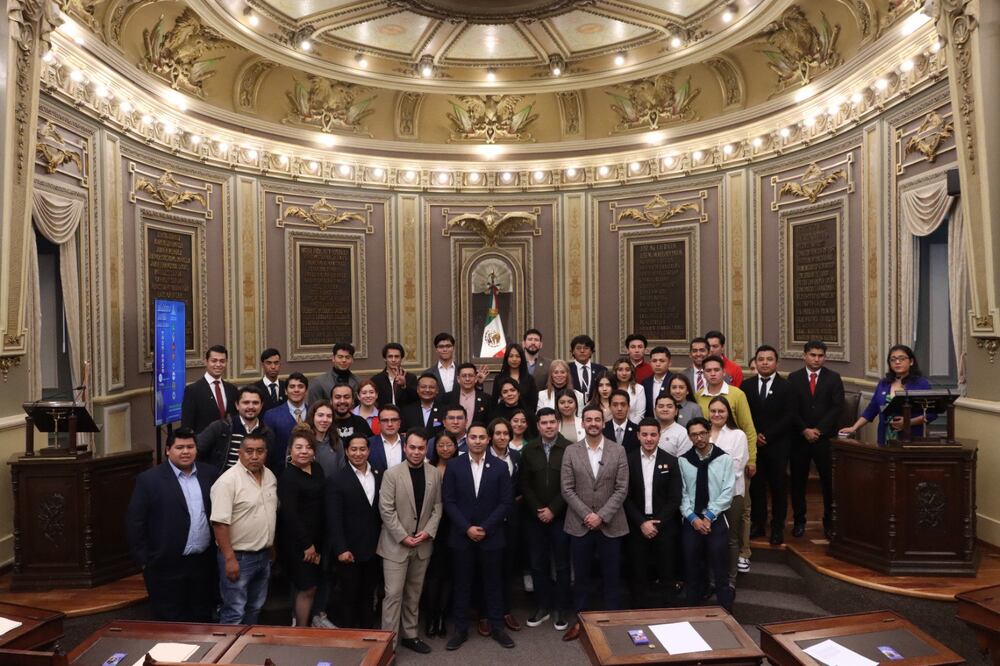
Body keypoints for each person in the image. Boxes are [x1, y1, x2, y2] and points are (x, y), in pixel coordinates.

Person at [126, 427, 218, 622]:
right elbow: (135, 522)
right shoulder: (149, 480)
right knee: (170, 622)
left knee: (203, 619)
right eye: (179, 447)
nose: (185, 452)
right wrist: (145, 560)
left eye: (190, 447)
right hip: (165, 565)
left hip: (203, 564)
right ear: (168, 450)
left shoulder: (209, 474)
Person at [442, 422, 515, 650]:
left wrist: (485, 528)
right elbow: (449, 501)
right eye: (473, 437)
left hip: (491, 536)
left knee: (493, 584)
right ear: (467, 439)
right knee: (462, 584)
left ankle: (497, 628)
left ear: (488, 439)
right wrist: (467, 528)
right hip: (462, 536)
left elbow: (505, 502)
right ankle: (460, 630)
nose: (477, 441)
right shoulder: (454, 465)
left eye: (482, 437)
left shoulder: (500, 467)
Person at [560, 405, 629, 641]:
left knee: (612, 576)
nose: (592, 423)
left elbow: (621, 488)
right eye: (588, 419)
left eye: (597, 419)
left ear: (603, 423)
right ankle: (581, 622)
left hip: (611, 524)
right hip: (579, 524)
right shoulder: (571, 451)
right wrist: (587, 515)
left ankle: (612, 624)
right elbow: (567, 489)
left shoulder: (618, 451)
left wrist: (601, 516)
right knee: (581, 577)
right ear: (582, 424)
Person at [378, 428, 442, 654]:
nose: (416, 452)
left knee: (414, 593)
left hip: (422, 544)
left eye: (421, 448)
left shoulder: (434, 473)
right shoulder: (392, 474)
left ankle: (410, 635)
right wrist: (403, 537)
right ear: (405, 448)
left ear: (426, 450)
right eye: (412, 447)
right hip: (396, 545)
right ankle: (388, 644)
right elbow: (386, 510)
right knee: (393, 595)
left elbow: (437, 507)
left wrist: (428, 532)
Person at [210, 432, 278, 624]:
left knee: (255, 607)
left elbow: (269, 514)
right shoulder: (227, 482)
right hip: (238, 557)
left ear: (266, 453)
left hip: (263, 556)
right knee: (234, 612)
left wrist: (272, 546)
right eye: (249, 451)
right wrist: (229, 559)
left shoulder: (270, 476)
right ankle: (229, 645)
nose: (254, 456)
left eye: (259, 451)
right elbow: (219, 523)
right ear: (239, 453)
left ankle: (247, 644)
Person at [520, 408, 572, 631]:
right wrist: (539, 510)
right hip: (535, 517)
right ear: (538, 425)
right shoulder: (529, 449)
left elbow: (571, 484)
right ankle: (543, 606)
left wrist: (553, 509)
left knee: (561, 565)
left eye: (552, 422)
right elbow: (524, 484)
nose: (549, 426)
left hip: (561, 516)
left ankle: (561, 608)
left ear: (558, 423)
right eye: (544, 423)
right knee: (537, 564)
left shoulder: (570, 448)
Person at [787, 340, 844, 540]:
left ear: (825, 357)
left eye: (820, 356)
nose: (816, 359)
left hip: (824, 439)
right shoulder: (793, 378)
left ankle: (829, 522)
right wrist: (804, 429)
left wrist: (819, 430)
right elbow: (791, 409)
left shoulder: (833, 378)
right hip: (800, 439)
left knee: (828, 483)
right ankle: (799, 522)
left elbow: (837, 408)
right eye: (813, 355)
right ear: (804, 356)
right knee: (798, 483)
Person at [678, 417, 735, 612]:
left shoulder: (724, 459)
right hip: (692, 519)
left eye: (702, 433)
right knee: (692, 569)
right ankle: (693, 611)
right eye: (694, 435)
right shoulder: (683, 461)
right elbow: (682, 493)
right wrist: (693, 518)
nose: (699, 438)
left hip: (715, 518)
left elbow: (728, 491)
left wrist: (709, 516)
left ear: (709, 432)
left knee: (720, 569)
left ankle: (726, 611)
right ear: (689, 437)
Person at [327, 433, 383, 629]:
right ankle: (348, 637)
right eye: (353, 449)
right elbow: (334, 518)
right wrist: (341, 549)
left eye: (362, 449)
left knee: (368, 594)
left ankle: (367, 633)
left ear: (369, 451)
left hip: (374, 548)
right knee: (348, 597)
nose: (358, 453)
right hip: (349, 550)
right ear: (347, 451)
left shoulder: (380, 474)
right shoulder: (337, 479)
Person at [624, 418, 681, 609]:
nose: (649, 439)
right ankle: (638, 612)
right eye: (645, 434)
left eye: (653, 435)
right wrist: (642, 522)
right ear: (638, 436)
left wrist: (657, 523)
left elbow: (675, 498)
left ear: (659, 436)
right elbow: (625, 497)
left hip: (664, 526)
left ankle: (667, 613)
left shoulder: (671, 461)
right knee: (637, 573)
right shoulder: (628, 460)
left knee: (667, 571)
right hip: (636, 525)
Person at [741, 345, 793, 545]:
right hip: (754, 447)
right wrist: (755, 436)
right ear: (755, 362)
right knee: (756, 488)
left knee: (778, 488)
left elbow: (789, 416)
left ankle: (777, 527)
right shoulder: (746, 386)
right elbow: (744, 416)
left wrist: (767, 436)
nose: (764, 363)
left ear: (776, 363)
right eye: (761, 359)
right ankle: (758, 524)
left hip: (777, 446)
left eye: (769, 359)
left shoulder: (787, 387)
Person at [277, 426, 326, 628]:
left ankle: (302, 626)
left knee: (311, 585)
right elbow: (290, 514)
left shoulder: (318, 469)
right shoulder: (288, 476)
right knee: (307, 587)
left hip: (317, 538)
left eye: (308, 447)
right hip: (298, 543)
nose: (304, 451)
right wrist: (307, 545)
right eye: (298, 447)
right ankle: (301, 630)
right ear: (290, 450)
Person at [841, 344, 934, 445]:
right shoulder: (884, 383)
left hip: (911, 437)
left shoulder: (921, 384)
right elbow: (871, 410)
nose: (897, 362)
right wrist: (853, 428)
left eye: (901, 359)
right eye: (893, 359)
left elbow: (931, 414)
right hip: (885, 436)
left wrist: (908, 422)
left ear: (911, 361)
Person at [707, 396, 750, 580]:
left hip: (732, 495)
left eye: (721, 411)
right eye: (713, 411)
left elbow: (736, 468)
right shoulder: (703, 433)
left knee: (731, 539)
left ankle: (730, 579)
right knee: (709, 538)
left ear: (728, 413)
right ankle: (711, 579)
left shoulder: (738, 435)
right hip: (706, 496)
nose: (717, 414)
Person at [422, 432, 458, 637]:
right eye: (441, 445)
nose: (445, 449)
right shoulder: (428, 467)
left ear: (455, 446)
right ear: (434, 447)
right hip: (431, 526)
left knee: (449, 574)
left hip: (454, 525)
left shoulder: (462, 465)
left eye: (449, 445)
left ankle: (443, 616)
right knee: (433, 575)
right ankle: (431, 617)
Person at [487, 417, 522, 633]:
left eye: (505, 433)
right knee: (487, 569)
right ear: (491, 436)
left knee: (507, 568)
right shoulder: (483, 455)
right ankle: (485, 614)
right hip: (488, 521)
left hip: (510, 521)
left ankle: (505, 610)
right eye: (498, 433)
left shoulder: (516, 457)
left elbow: (519, 486)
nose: (502, 437)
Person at [196, 386, 274, 471]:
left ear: (261, 406)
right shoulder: (220, 427)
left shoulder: (267, 433)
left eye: (255, 403)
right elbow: (195, 450)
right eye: (246, 402)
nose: (251, 406)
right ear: (237, 405)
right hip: (223, 478)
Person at [182, 345, 238, 434]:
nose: (218, 365)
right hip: (203, 441)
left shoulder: (232, 389)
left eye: (222, 361)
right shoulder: (193, 390)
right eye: (214, 361)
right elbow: (187, 425)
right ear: (206, 362)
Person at [262, 372, 309, 477]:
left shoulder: (315, 413)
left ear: (306, 391)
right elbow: (268, 450)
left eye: (300, 386)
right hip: (281, 474)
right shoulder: (271, 415)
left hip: (311, 473)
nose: (296, 390)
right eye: (292, 387)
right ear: (285, 391)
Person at [491, 343, 538, 415]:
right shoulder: (499, 378)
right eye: (511, 356)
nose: (514, 359)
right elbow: (494, 402)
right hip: (504, 417)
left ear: (522, 358)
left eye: (517, 356)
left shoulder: (529, 379)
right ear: (506, 358)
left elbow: (533, 404)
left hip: (524, 418)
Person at [372, 342, 418, 408]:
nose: (393, 360)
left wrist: (404, 386)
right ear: (385, 359)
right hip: (384, 414)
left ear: (401, 359)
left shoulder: (411, 378)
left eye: (397, 356)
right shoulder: (376, 380)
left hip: (405, 414)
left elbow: (416, 399)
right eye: (390, 356)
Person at [307, 399, 344, 476]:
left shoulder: (337, 441)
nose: (325, 420)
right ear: (312, 416)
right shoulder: (301, 441)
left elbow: (342, 470)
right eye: (320, 415)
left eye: (329, 416)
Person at [569, 334, 607, 401]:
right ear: (573, 351)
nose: (582, 351)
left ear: (591, 352)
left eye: (586, 348)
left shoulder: (601, 370)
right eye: (578, 348)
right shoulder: (567, 369)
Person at [368, 404, 405, 471]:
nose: (390, 424)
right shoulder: (369, 444)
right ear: (379, 424)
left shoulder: (408, 442)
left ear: (399, 423)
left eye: (394, 420)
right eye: (385, 420)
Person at [641, 346, 675, 418]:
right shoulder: (645, 382)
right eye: (654, 361)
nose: (657, 364)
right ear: (650, 363)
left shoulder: (675, 380)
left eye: (662, 361)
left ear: (669, 363)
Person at [611, 357, 646, 422]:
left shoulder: (639, 388)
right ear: (615, 372)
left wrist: (628, 426)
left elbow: (640, 415)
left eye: (627, 370)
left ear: (631, 372)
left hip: (633, 425)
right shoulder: (610, 388)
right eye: (620, 370)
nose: (624, 373)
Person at [254, 347, 286, 412]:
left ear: (280, 365)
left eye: (276, 363)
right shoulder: (254, 388)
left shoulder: (286, 387)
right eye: (269, 363)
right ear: (262, 365)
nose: (273, 367)